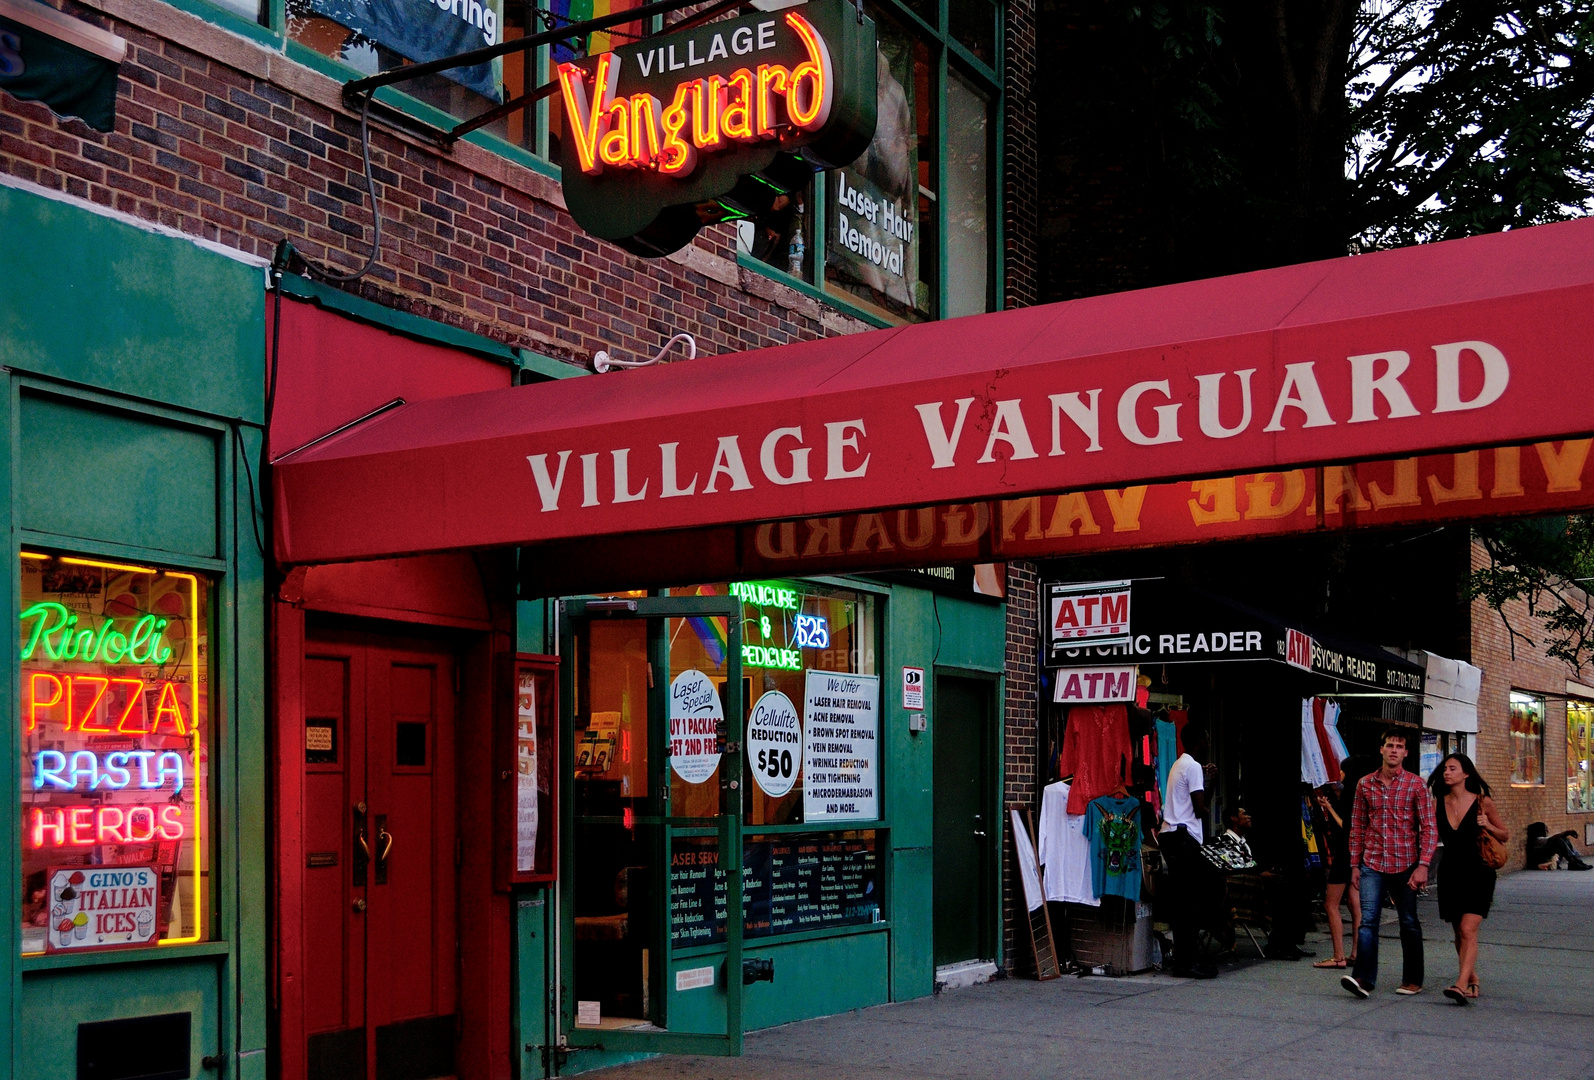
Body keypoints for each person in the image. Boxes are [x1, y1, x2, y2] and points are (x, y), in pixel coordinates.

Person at [1341, 728, 1437, 999]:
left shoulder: (1416, 785)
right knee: (1367, 921)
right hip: (1372, 862)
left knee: (1408, 921)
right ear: (1381, 749)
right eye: (1389, 745)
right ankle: (1363, 979)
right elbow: (1357, 826)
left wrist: (1423, 865)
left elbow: (1429, 828)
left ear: (1405, 752)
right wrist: (1355, 865)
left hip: (1406, 863)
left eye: (1399, 746)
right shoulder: (1364, 784)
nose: (1394, 750)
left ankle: (1413, 979)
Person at [1428, 753, 1508, 1004]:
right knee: (1458, 932)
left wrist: (1488, 826)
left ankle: (1460, 984)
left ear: (1466, 774)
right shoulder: (1437, 803)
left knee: (1468, 928)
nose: (1446, 773)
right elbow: (1429, 836)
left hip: (1479, 871)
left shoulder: (1484, 803)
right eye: (1444, 769)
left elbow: (1504, 835)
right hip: (1450, 872)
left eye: (1452, 768)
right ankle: (1471, 977)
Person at [1158, 723, 1220, 979]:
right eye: (1206, 738)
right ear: (1198, 741)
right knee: (1191, 902)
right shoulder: (1193, 766)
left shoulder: (1178, 764)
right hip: (1185, 838)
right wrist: (1210, 782)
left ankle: (1185, 960)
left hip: (1171, 836)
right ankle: (1186, 962)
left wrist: (1207, 783)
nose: (1208, 744)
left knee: (1183, 901)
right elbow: (1200, 809)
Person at [1312, 758, 1366, 969]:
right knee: (1355, 905)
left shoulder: (1350, 796)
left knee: (1331, 904)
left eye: (1342, 771)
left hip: (1344, 854)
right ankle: (1356, 953)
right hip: (1355, 855)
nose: (1340, 775)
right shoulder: (1361, 793)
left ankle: (1338, 956)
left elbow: (1347, 826)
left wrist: (1329, 809)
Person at [1526, 822, 1593, 870]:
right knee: (1559, 840)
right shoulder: (1537, 840)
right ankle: (1573, 862)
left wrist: (1565, 835)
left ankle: (1575, 861)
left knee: (1564, 839)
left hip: (1553, 857)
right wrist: (1567, 832)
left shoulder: (1541, 839)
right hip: (1546, 860)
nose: (1547, 831)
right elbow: (1552, 839)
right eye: (1545, 829)